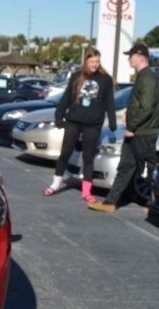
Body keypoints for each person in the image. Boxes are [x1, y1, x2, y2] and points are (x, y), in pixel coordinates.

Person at [88, 43, 159, 213]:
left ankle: (156, 204)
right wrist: (129, 112)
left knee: (150, 169)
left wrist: (132, 126)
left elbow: (148, 106)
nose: (129, 59)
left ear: (140, 56)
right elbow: (140, 103)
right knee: (125, 166)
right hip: (136, 130)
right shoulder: (142, 77)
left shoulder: (148, 77)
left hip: (143, 132)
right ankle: (110, 203)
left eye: (131, 55)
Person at [43, 47, 116, 203]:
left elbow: (109, 101)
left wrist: (112, 120)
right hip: (74, 121)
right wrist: (59, 115)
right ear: (86, 61)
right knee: (65, 153)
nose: (95, 64)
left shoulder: (105, 79)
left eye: (97, 61)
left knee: (88, 157)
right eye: (92, 61)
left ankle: (86, 192)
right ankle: (55, 184)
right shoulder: (76, 76)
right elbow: (67, 98)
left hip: (93, 124)